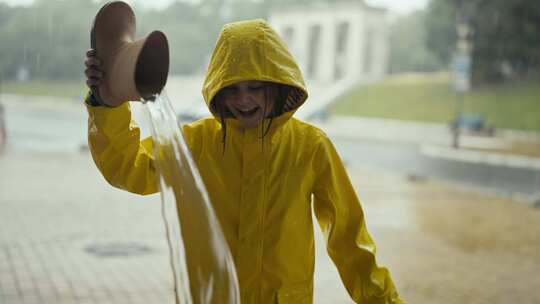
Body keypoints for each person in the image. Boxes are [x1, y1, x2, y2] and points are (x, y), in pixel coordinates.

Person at [84, 19, 404, 303]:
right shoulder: (198, 142)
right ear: (217, 91)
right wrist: (105, 101)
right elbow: (129, 168)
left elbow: (350, 242)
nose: (243, 99)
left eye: (255, 87)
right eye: (232, 89)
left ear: (278, 86)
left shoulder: (311, 148)